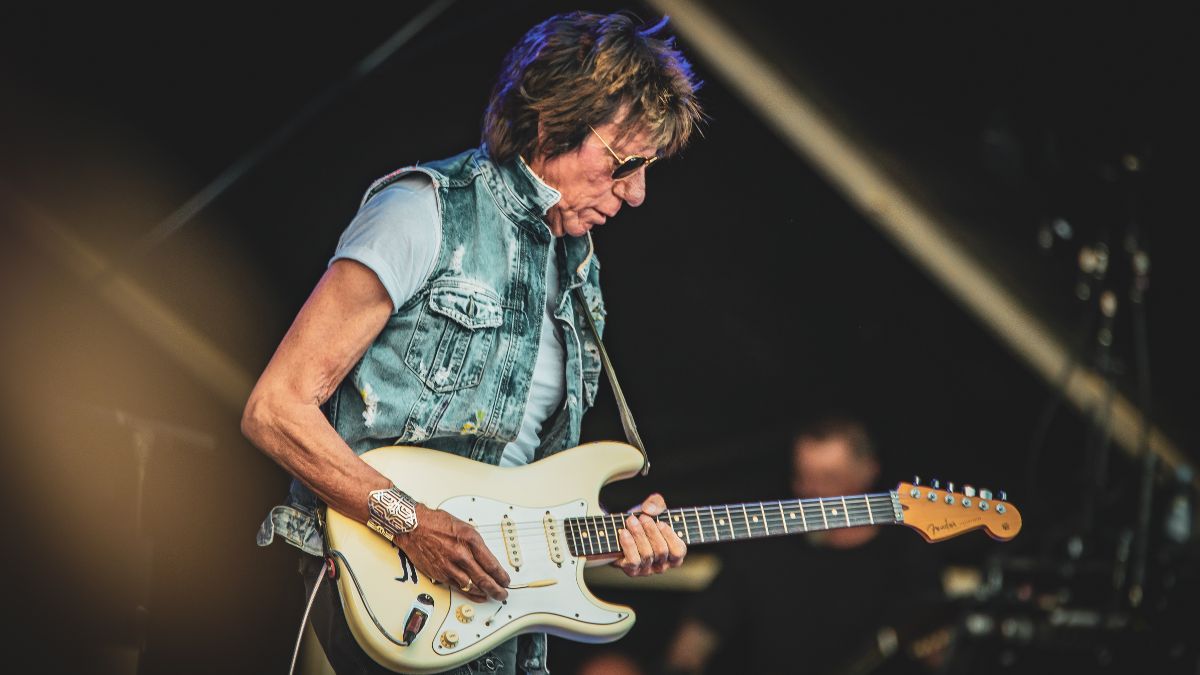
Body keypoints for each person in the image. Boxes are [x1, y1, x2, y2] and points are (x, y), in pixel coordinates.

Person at [241, 11, 704, 675]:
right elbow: (275, 408)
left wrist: (612, 536)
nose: (635, 193)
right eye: (624, 163)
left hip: (499, 625)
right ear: (552, 122)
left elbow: (519, 501)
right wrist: (409, 522)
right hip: (391, 598)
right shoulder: (423, 210)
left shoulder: (580, 270)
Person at [664, 417, 945, 675]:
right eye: (804, 478)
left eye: (830, 478)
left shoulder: (907, 556)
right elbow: (690, 646)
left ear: (868, 472)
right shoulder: (763, 551)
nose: (814, 492)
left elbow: (939, 651)